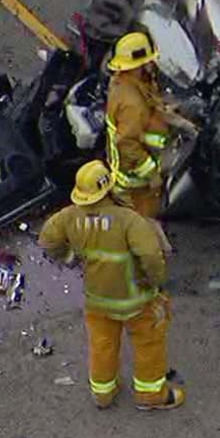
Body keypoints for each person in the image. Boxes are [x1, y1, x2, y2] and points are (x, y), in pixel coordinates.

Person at [37, 160, 184, 410]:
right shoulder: (128, 220)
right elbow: (150, 256)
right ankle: (150, 396)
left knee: (102, 345)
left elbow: (48, 240)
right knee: (148, 343)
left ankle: (103, 394)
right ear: (108, 187)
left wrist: (70, 258)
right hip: (136, 300)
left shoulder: (68, 217)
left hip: (98, 299)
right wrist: (156, 284)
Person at [105, 28, 170, 217]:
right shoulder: (132, 104)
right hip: (135, 182)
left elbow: (152, 102)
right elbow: (127, 143)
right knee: (145, 221)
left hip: (130, 168)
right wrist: (152, 173)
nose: (152, 63)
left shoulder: (124, 83)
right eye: (147, 61)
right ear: (137, 66)